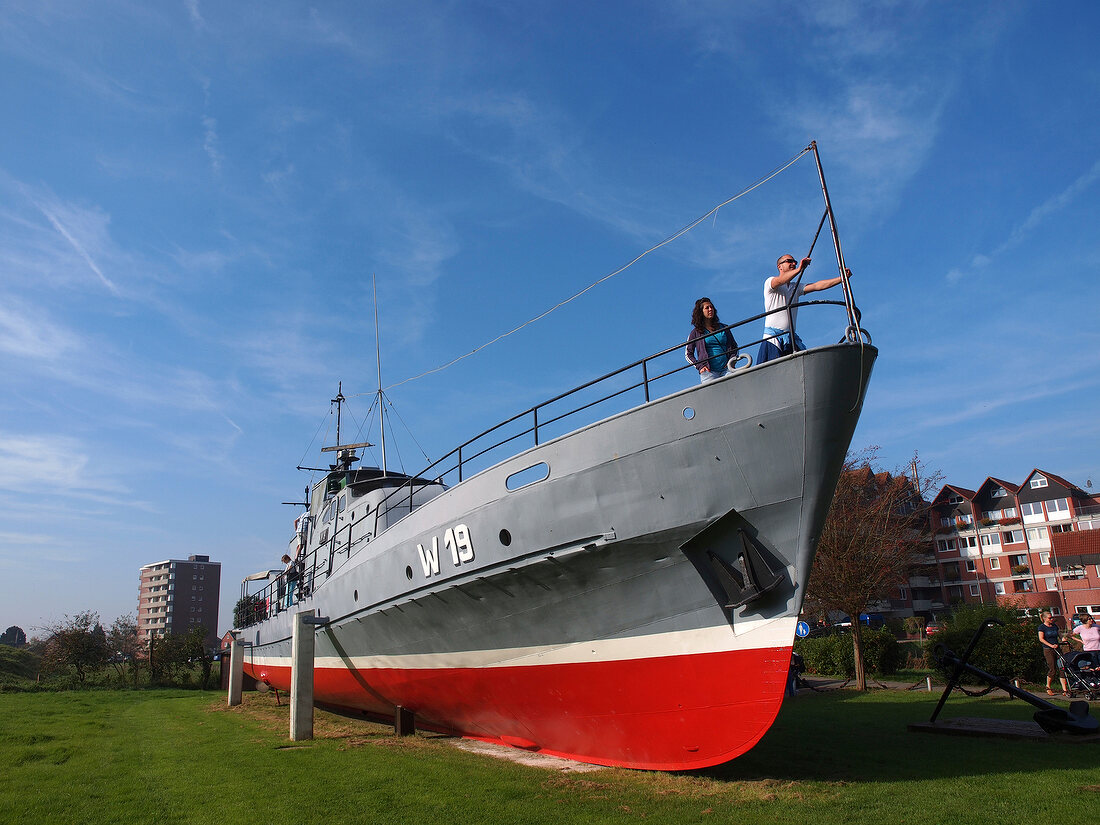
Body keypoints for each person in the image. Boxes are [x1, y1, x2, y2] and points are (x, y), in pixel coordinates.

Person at [757, 255, 851, 364]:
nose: (794, 263)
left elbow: (817, 285)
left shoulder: (795, 287)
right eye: (789, 261)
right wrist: (799, 269)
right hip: (773, 339)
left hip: (790, 339)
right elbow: (781, 280)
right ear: (780, 266)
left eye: (795, 262)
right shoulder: (770, 282)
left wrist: (841, 278)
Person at [686, 297, 738, 383]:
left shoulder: (724, 328)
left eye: (712, 307)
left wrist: (732, 360)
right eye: (707, 308)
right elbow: (688, 354)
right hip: (709, 373)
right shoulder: (695, 333)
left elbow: (734, 347)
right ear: (701, 312)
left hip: (727, 369)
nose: (710, 309)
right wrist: (700, 366)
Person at [1038, 611, 1069, 697]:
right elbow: (1041, 639)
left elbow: (1059, 634)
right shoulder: (1042, 627)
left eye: (1052, 617)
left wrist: (1063, 639)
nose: (1052, 619)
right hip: (1048, 649)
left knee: (1062, 667)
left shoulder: (1054, 626)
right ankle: (1048, 687)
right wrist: (1050, 645)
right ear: (1044, 618)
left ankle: (1065, 689)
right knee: (1052, 669)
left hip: (1057, 648)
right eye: (1049, 618)